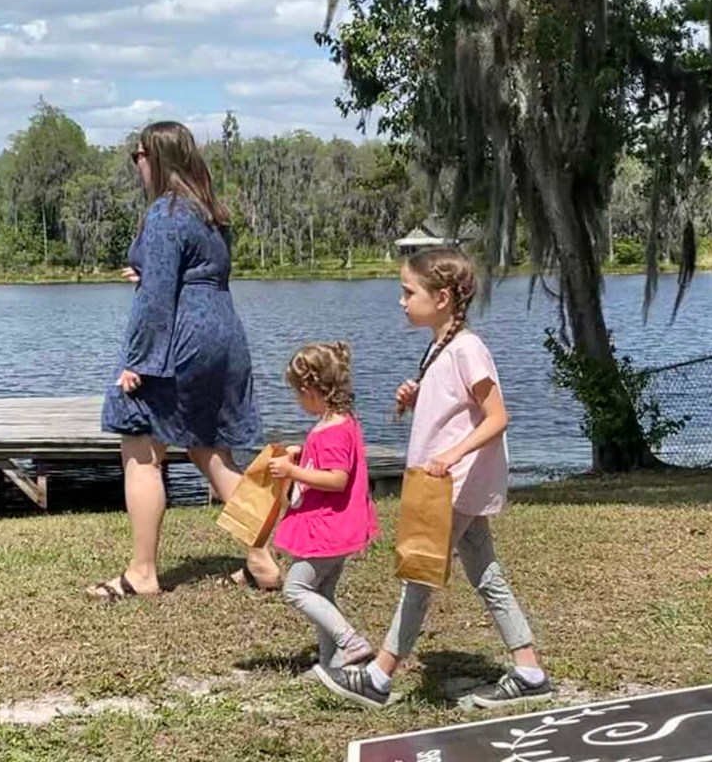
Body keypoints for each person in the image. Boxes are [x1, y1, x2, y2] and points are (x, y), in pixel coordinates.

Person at [314, 246, 553, 709]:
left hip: (454, 486)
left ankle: (379, 677)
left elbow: (497, 417)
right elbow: (453, 407)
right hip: (444, 486)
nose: (402, 301)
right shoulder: (441, 346)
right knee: (485, 573)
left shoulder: (467, 348)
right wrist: (415, 397)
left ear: (442, 297)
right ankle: (529, 671)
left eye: (409, 292)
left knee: (419, 576)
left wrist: (452, 454)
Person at [86, 121, 280, 601]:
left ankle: (142, 573)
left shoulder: (165, 212)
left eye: (138, 155)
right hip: (222, 332)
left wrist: (138, 360)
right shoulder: (209, 212)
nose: (136, 164)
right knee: (209, 448)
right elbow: (192, 273)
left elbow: (157, 298)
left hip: (181, 337)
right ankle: (262, 559)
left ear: (158, 158)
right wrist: (148, 272)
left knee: (140, 448)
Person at [269, 342, 378, 670]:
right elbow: (330, 462)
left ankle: (350, 641)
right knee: (323, 592)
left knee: (296, 588)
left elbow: (336, 479)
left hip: (326, 528)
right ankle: (332, 665)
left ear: (310, 390)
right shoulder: (341, 422)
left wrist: (291, 472)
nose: (297, 400)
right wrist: (303, 455)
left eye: (297, 393)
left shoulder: (331, 431)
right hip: (337, 526)